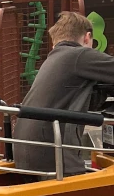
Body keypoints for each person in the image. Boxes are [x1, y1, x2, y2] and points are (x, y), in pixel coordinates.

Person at [13, 12, 114, 177]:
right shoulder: (79, 55)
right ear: (87, 38)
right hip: (53, 154)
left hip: (26, 151)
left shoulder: (53, 59)